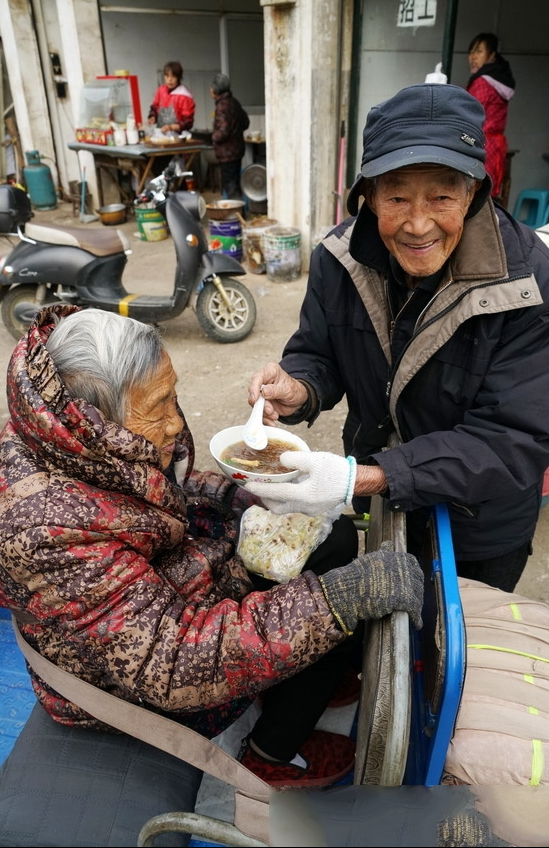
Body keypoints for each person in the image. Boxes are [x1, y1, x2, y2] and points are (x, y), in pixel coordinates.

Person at [0, 304, 423, 791]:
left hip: (165, 586)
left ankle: (304, 679)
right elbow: (174, 663)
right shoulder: (47, 529)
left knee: (329, 538)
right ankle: (270, 754)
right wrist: (338, 601)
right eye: (158, 405)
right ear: (96, 418)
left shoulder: (70, 430)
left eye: (172, 397)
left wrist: (250, 499)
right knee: (331, 595)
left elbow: (164, 491)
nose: (175, 424)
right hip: (132, 684)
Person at [244, 83, 549, 595]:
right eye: (396, 197)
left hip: (478, 526)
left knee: (453, 653)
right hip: (382, 503)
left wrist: (365, 477)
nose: (418, 224)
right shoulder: (338, 259)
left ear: (475, 192)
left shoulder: (532, 287)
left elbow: (512, 439)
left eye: (442, 196)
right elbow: (318, 350)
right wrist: (299, 386)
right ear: (367, 196)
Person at [466, 33, 515, 201]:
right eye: (471, 51)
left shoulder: (482, 82)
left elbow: (469, 114)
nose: (473, 57)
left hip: (482, 146)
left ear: (492, 54)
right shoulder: (499, 80)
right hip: (495, 146)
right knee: (488, 198)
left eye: (479, 51)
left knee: (476, 198)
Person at [210, 72, 250, 199]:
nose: (210, 89)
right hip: (237, 150)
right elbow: (245, 122)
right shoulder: (234, 102)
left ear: (216, 90)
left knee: (231, 187)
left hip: (227, 153)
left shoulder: (222, 106)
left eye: (211, 87)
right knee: (235, 184)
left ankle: (236, 215)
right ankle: (239, 213)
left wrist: (212, 138)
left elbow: (223, 131)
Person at [147, 60, 195, 135]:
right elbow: (155, 106)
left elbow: (188, 122)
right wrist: (153, 116)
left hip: (178, 135)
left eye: (173, 76)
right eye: (167, 76)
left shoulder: (184, 96)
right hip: (160, 132)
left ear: (179, 78)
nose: (170, 80)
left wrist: (171, 127)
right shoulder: (161, 90)